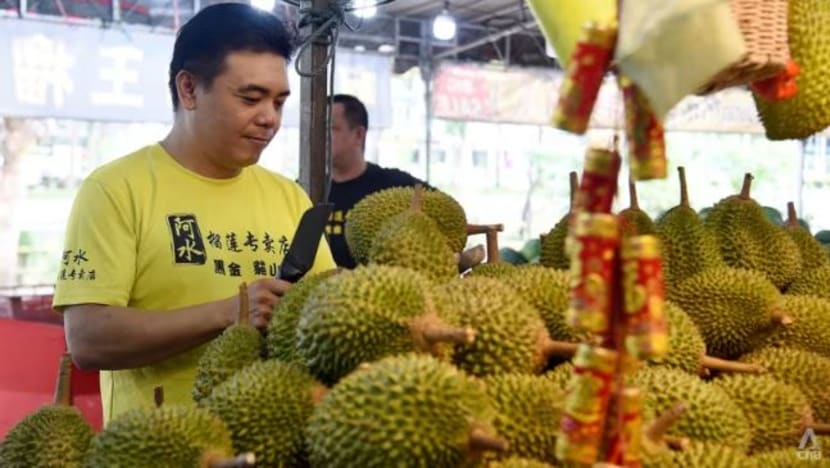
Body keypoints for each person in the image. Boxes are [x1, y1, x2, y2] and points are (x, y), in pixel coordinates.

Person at [52, 3, 335, 425]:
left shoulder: (289, 198)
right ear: (188, 90)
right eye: (251, 98)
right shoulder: (116, 190)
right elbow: (89, 339)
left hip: (275, 443)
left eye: (278, 102)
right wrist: (231, 311)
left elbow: (326, 306)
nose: (269, 119)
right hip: (158, 448)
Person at [326, 94, 430, 268]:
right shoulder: (301, 190)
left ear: (359, 134)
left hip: (381, 289)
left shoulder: (393, 185)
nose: (321, 137)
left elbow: (444, 213)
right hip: (317, 292)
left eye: (331, 128)